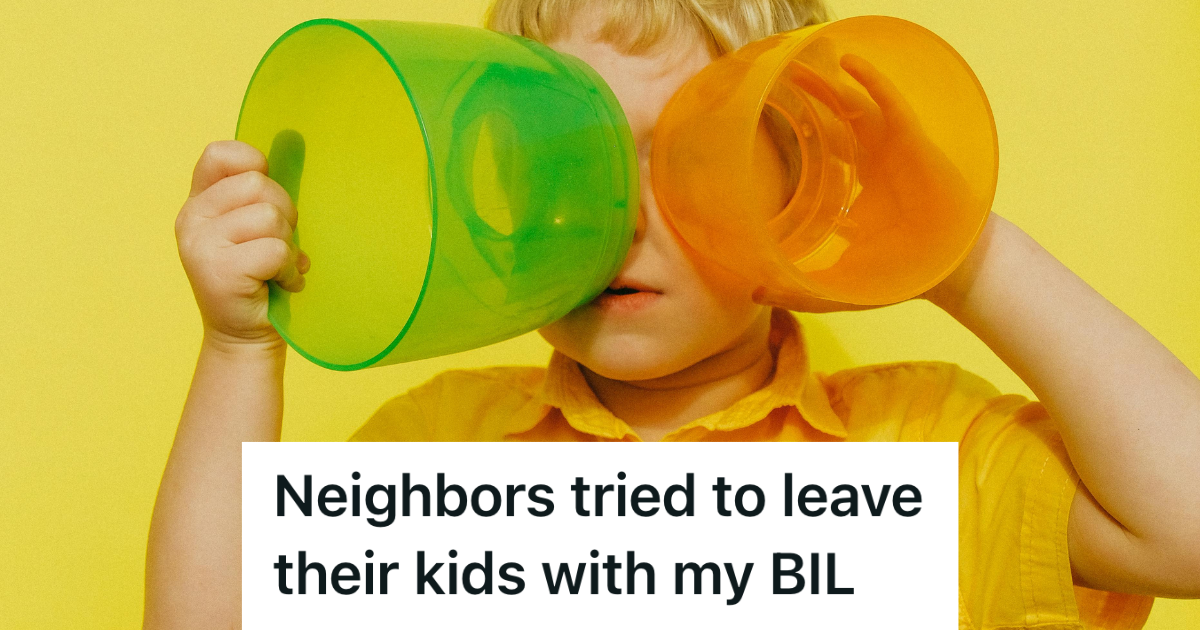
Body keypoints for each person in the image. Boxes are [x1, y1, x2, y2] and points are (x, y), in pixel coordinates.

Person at [145, 1, 1200, 628]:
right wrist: (241, 350)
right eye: (560, 151)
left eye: (693, 155)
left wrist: (948, 242)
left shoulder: (919, 457)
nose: (619, 213)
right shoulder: (441, 449)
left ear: (798, 179)